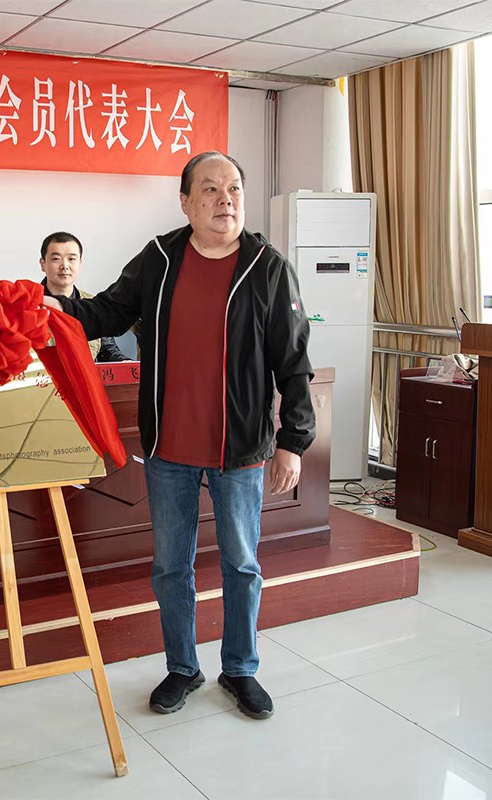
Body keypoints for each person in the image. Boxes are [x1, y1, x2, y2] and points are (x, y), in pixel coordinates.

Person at [43, 151, 314, 721]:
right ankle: (183, 667)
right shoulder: (160, 258)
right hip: (169, 448)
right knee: (171, 567)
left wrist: (293, 440)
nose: (225, 199)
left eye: (234, 188)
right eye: (210, 189)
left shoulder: (268, 267)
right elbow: (106, 313)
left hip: (239, 449)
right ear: (186, 202)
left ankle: (240, 668)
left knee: (242, 565)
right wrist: (53, 309)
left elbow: (293, 362)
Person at [39, 231, 131, 363]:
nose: (65, 266)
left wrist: (125, 363)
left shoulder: (95, 305)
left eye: (71, 259)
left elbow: (107, 351)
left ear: (80, 263)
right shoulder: (28, 305)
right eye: (56, 259)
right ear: (43, 264)